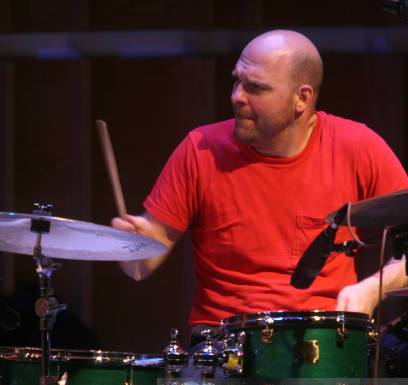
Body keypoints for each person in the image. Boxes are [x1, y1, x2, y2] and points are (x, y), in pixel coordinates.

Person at [112, 30, 408, 331]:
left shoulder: (357, 147)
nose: (237, 96)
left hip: (324, 348)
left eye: (255, 88)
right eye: (237, 80)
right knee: (181, 381)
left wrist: (373, 288)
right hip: (220, 350)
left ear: (301, 98)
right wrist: (130, 244)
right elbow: (140, 267)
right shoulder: (200, 149)